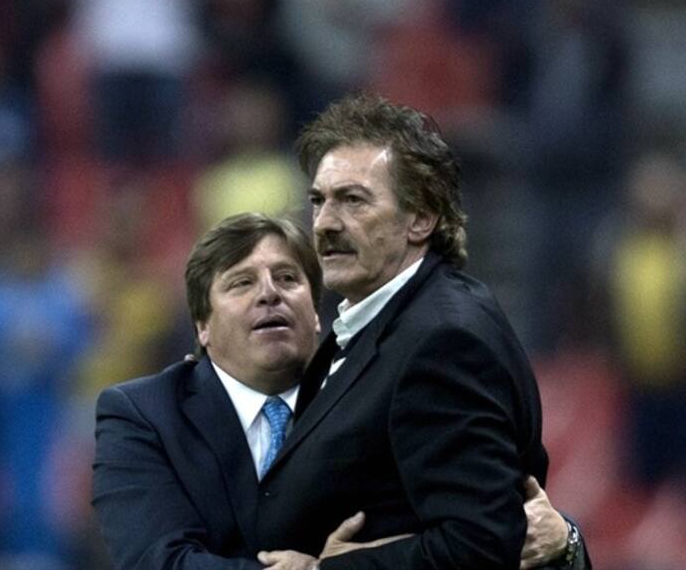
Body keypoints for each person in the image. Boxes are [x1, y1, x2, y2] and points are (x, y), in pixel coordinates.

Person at [93, 213, 584, 570]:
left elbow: (474, 532)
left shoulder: (383, 389)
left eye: (287, 278)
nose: (269, 292)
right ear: (202, 324)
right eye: (242, 283)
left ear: (314, 314)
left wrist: (569, 544)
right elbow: (162, 563)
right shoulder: (141, 415)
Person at [254, 94, 589, 569]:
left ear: (421, 218)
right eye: (319, 201)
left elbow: (480, 544)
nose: (326, 223)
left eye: (353, 200)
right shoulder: (376, 320)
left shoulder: (444, 341)